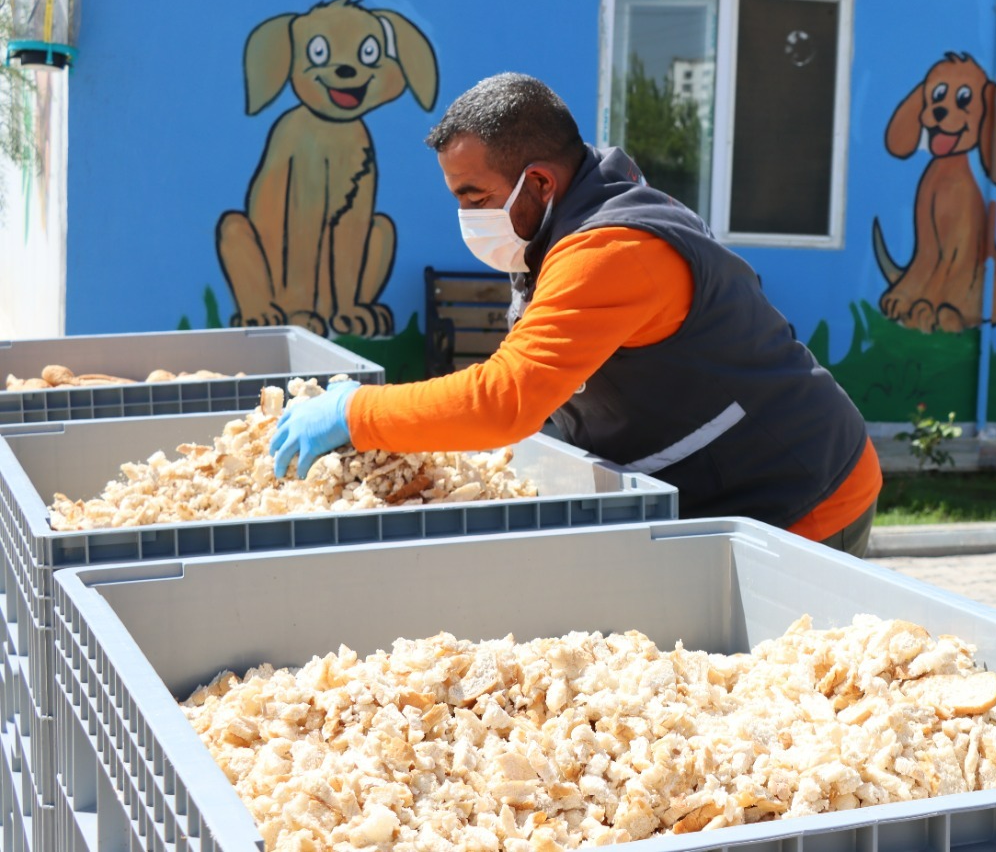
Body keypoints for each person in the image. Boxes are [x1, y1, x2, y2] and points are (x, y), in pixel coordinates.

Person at [270, 73, 879, 557]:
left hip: (804, 495)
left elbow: (505, 400)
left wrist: (355, 412)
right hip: (724, 486)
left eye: (473, 197)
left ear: (537, 182)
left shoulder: (611, 251)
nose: (465, 215)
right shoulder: (560, 224)